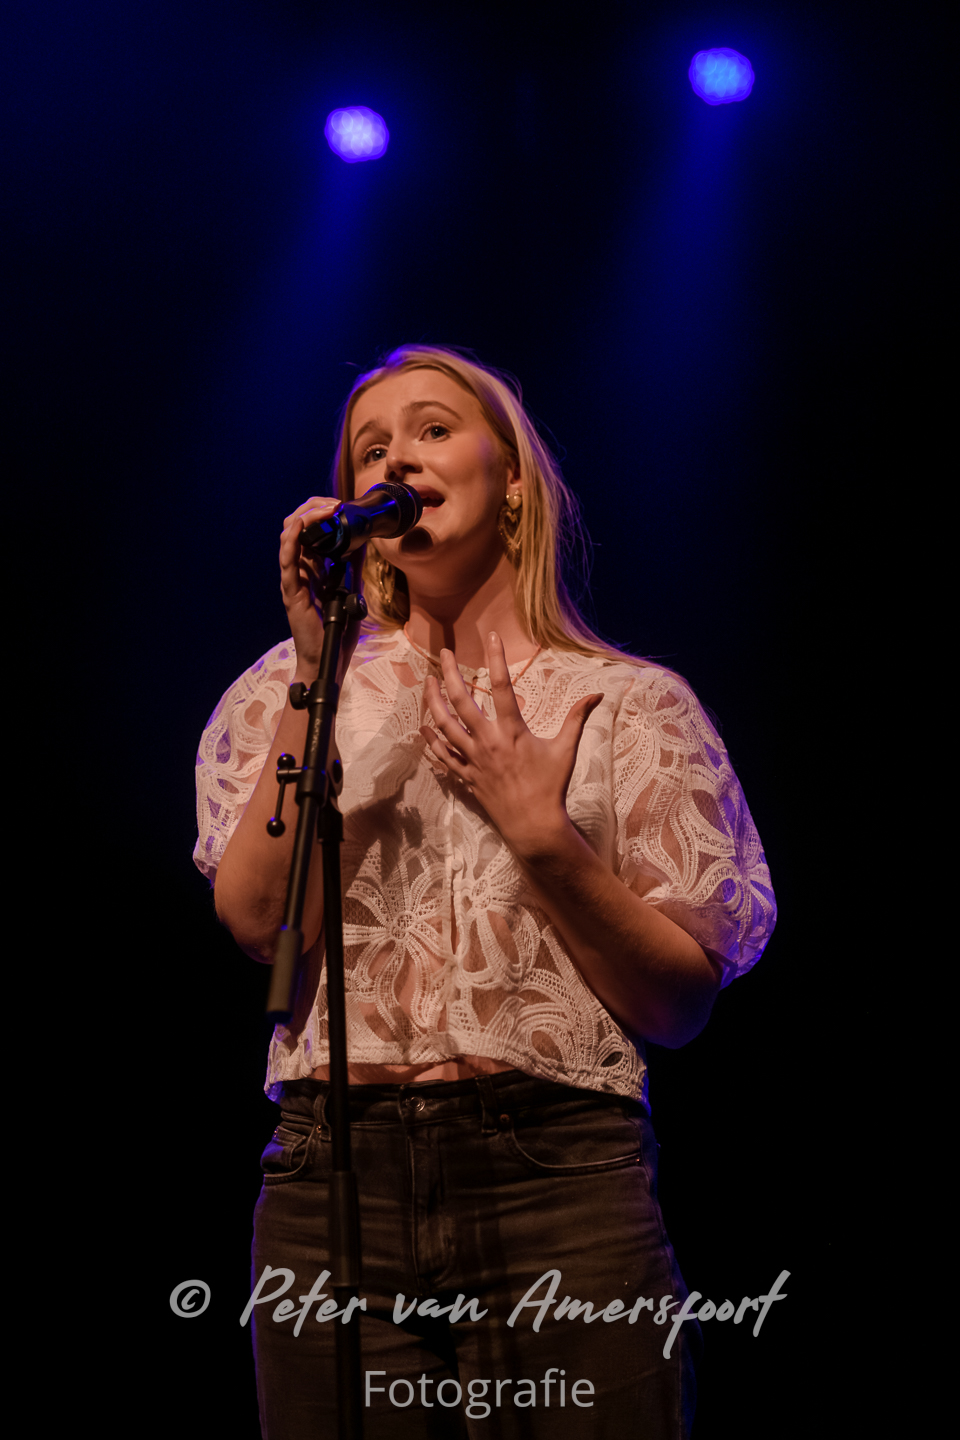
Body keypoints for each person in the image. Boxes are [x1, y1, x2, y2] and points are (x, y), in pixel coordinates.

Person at [194, 344, 776, 1438]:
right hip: (334, 1178)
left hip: (556, 1176)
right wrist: (317, 669)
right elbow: (259, 922)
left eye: (431, 429)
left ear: (511, 478)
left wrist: (543, 838)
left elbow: (680, 1005)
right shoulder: (289, 691)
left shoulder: (627, 704)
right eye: (371, 448)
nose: (396, 460)